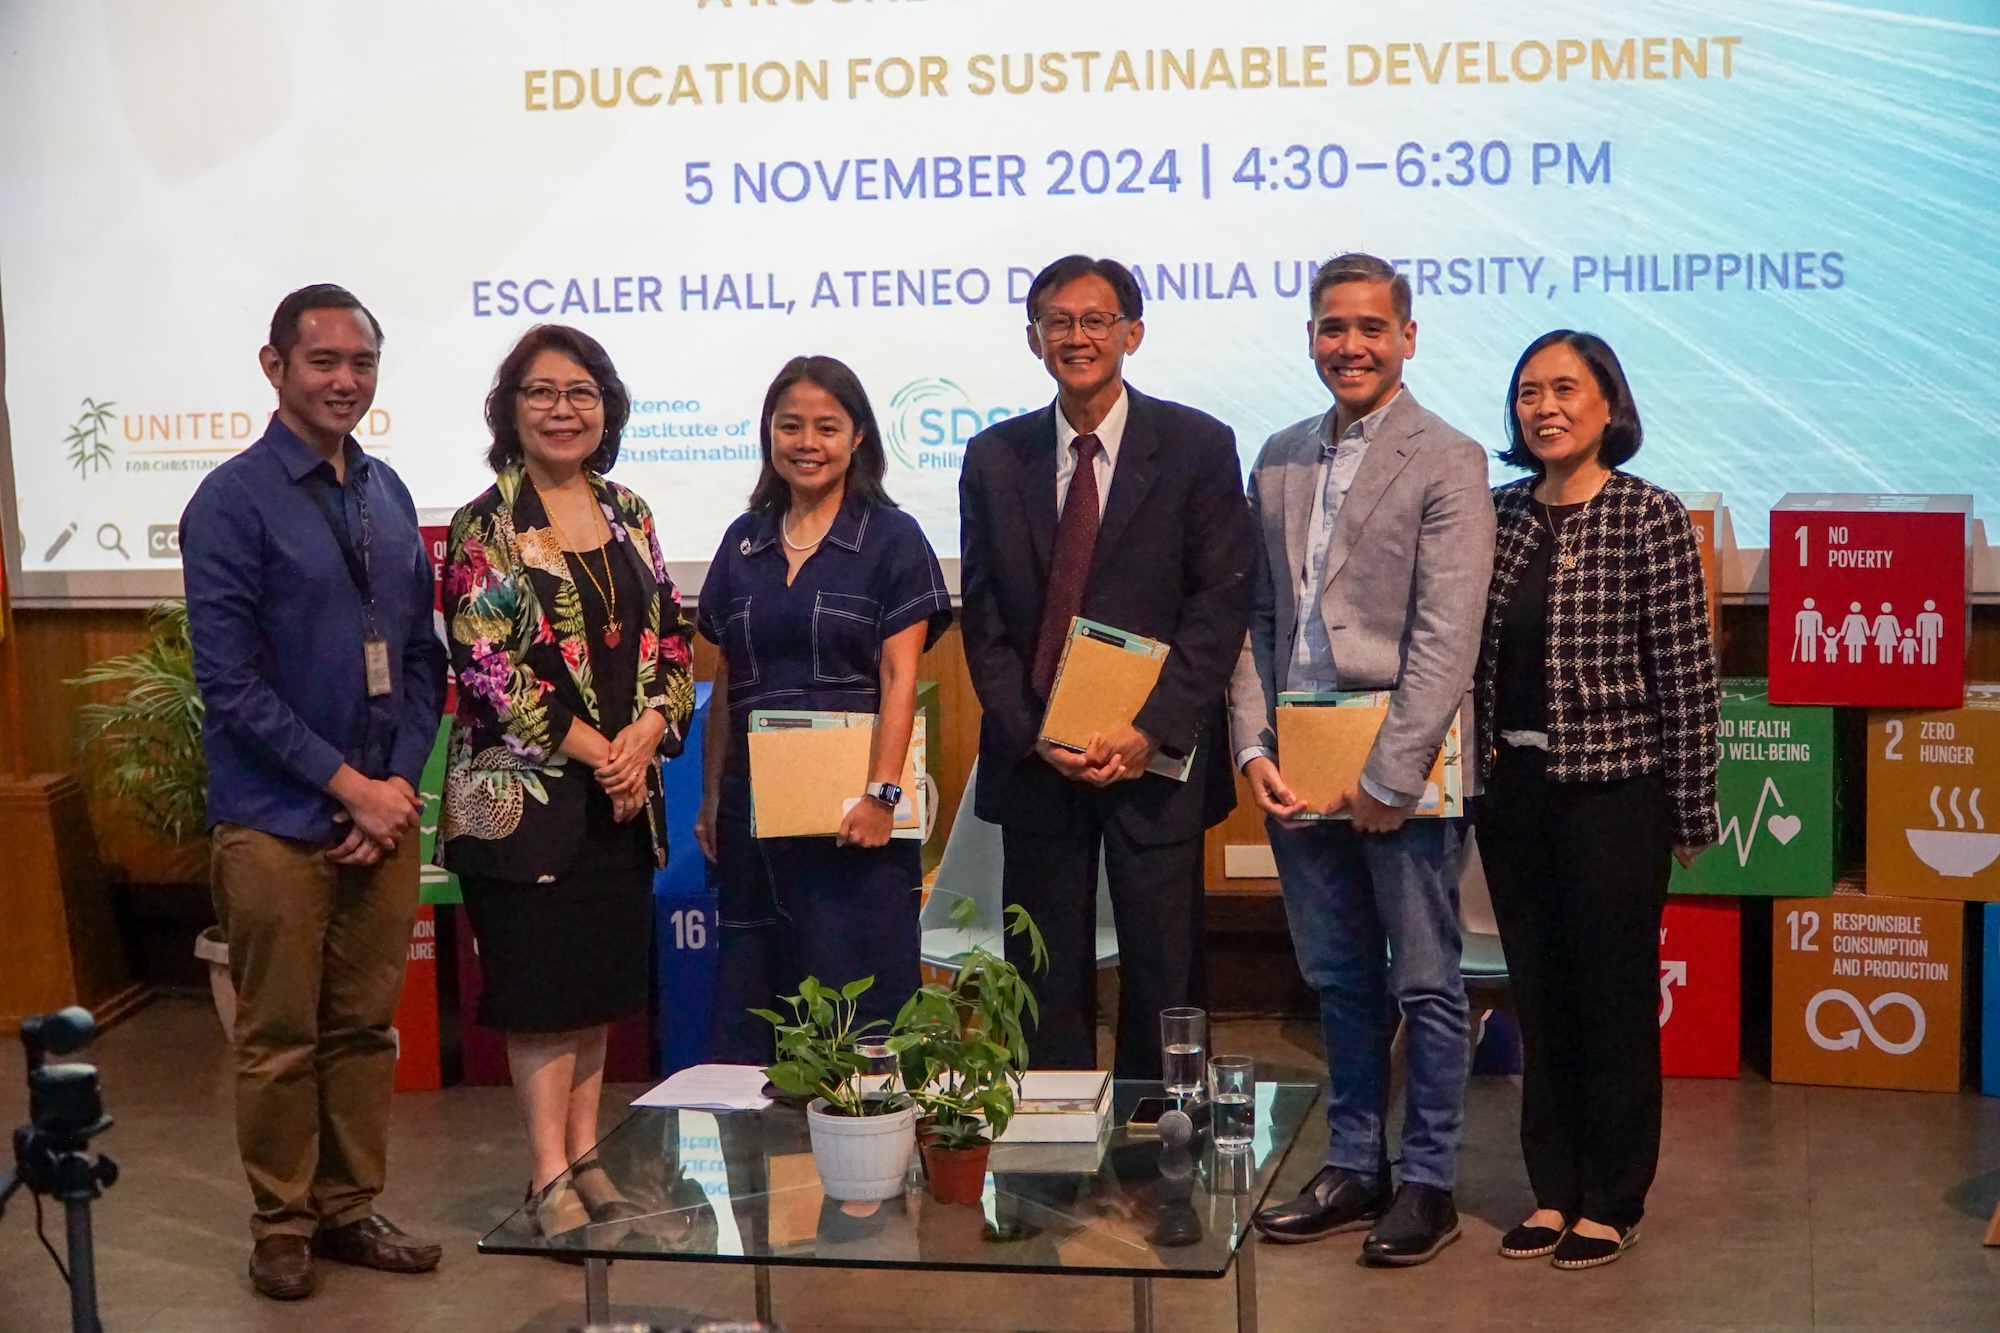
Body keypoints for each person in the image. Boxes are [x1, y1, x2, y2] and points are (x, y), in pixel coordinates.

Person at [180, 284, 449, 1300]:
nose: (345, 380)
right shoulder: (232, 501)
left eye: (362, 363)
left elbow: (419, 659)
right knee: (280, 1037)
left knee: (363, 1030)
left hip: (373, 817)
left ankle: (347, 1207)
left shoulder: (382, 492)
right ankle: (281, 1224)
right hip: (276, 822)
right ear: (274, 366)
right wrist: (345, 787)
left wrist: (390, 787)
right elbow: (231, 683)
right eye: (323, 361)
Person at [1229, 254, 1494, 1266]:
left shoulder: (1447, 456)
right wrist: (1251, 744)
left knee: (1425, 982)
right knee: (1337, 979)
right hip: (1297, 760)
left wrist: (1390, 775)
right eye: (1332, 327)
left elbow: (1444, 633)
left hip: (1402, 769)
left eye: (1370, 328)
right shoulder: (1280, 455)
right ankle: (1352, 1163)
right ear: (1309, 335)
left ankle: (1426, 1181)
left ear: (1407, 337)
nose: (1350, 345)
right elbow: (1257, 618)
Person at [959, 255, 1254, 1078]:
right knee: (1042, 970)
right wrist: (1031, 734)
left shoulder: (1197, 446)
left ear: (1133, 332)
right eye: (1059, 321)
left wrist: (1148, 727)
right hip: (1037, 759)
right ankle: (1051, 1140)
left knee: (1164, 968)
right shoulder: (993, 457)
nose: (1077, 337)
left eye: (1096, 320)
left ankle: (1164, 1135)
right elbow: (982, 618)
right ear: (1033, 338)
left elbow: (1218, 605)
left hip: (1152, 757)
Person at [440, 324, 696, 1235]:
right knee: (543, 997)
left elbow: (672, 640)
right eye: (542, 391)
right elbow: (490, 673)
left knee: (594, 993)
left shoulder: (629, 511)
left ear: (608, 407)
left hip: (619, 801)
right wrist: (608, 751)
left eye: (581, 391)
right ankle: (546, 1175)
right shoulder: (487, 526)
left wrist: (650, 732)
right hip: (523, 804)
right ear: (511, 408)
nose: (563, 408)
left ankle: (587, 1158)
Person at [1474, 330, 1718, 1270]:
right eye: (1529, 392)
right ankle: (1552, 1189)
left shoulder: (1648, 515)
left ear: (1609, 404)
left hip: (1617, 794)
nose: (1546, 407)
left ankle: (1615, 1195)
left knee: (1613, 999)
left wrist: (1691, 807)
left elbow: (1687, 677)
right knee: (1540, 993)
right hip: (1516, 794)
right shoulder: (1497, 515)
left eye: (1566, 389)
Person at [695, 356, 953, 1060]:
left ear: (859, 438)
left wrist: (883, 795)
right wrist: (712, 795)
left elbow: (901, 676)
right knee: (754, 1013)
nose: (807, 442)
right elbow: (727, 679)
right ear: (769, 435)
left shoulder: (893, 539)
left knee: (859, 1013)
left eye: (826, 427)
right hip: (754, 819)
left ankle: (872, 1168)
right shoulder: (742, 541)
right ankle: (763, 1170)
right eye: (790, 426)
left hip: (854, 817)